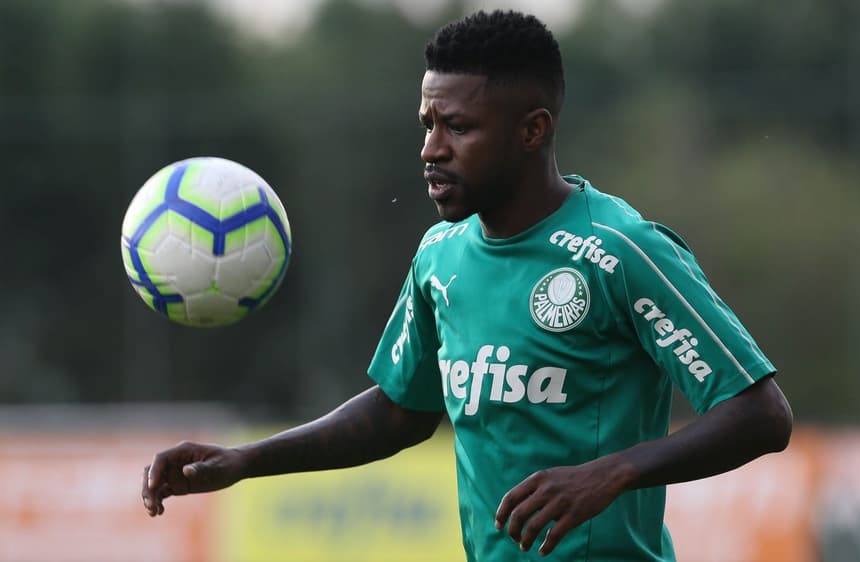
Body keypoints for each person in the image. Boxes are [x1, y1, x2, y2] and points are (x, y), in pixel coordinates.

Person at [142, 9, 793, 561]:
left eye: (457, 127)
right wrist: (244, 461)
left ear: (532, 131)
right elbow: (401, 411)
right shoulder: (441, 256)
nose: (431, 148)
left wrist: (614, 473)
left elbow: (760, 414)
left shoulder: (621, 252)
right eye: (427, 123)